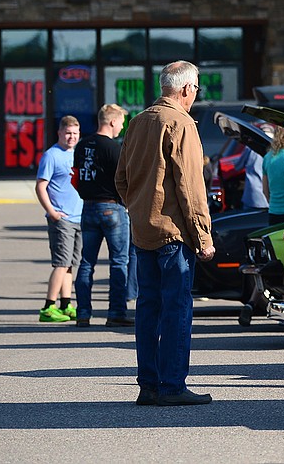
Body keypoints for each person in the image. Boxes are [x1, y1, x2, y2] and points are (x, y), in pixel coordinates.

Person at [115, 61, 214, 407]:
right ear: (186, 89)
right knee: (176, 309)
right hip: (174, 234)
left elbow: (121, 180)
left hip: (144, 231)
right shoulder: (181, 122)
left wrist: (140, 209)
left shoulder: (138, 121)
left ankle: (149, 385)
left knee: (148, 309)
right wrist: (203, 237)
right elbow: (190, 186)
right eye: (196, 89)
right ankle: (172, 385)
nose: (195, 95)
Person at [73, 103, 133, 328]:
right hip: (112, 207)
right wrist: (127, 202)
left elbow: (76, 176)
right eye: (120, 123)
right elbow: (123, 179)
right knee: (119, 262)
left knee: (86, 262)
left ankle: (83, 313)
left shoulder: (81, 146)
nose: (121, 127)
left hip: (88, 207)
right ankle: (116, 311)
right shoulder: (113, 148)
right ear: (112, 122)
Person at [35, 115, 83, 323]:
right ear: (59, 133)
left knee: (72, 263)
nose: (71, 137)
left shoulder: (76, 153)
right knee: (61, 263)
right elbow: (40, 186)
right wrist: (52, 212)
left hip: (78, 217)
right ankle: (48, 307)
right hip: (61, 218)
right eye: (68, 133)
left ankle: (66, 304)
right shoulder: (51, 156)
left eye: (75, 133)